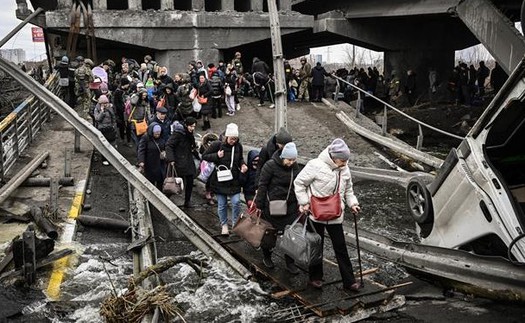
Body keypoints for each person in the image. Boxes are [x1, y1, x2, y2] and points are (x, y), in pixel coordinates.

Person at [294, 138, 362, 292]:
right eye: (342, 160)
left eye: (346, 160)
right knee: (316, 247)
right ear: (333, 156)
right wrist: (304, 202)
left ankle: (349, 281)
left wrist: (353, 203)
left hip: (336, 215)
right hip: (315, 214)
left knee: (341, 248)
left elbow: (349, 190)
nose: (345, 163)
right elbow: (299, 183)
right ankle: (315, 278)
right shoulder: (315, 165)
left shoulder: (345, 169)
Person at [255, 142, 300, 273]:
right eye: (289, 159)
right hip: (271, 207)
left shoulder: (295, 168)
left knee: (290, 237)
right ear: (282, 157)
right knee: (269, 235)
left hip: (290, 207)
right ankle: (267, 257)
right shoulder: (270, 165)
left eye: (293, 160)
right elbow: (262, 185)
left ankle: (290, 263)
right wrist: (259, 204)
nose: (291, 162)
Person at [202, 123, 248, 235]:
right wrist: (217, 156)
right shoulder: (217, 145)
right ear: (227, 136)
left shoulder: (238, 146)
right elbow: (204, 156)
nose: (234, 141)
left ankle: (235, 223)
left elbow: (240, 158)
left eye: (236, 139)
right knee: (222, 204)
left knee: (236, 202)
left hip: (233, 179)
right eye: (232, 139)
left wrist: (243, 165)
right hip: (220, 179)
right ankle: (224, 225)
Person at [165, 117, 199, 208]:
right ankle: (165, 198)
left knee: (190, 181)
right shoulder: (178, 134)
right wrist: (171, 159)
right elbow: (169, 145)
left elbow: (191, 146)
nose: (192, 128)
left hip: (188, 160)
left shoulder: (189, 134)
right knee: (175, 183)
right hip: (179, 161)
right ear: (186, 125)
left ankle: (187, 201)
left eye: (194, 126)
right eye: (191, 126)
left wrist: (197, 154)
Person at [137, 123, 167, 190]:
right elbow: (141, 150)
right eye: (156, 133)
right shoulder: (146, 138)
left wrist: (165, 152)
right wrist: (141, 161)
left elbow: (166, 146)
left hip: (160, 163)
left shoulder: (162, 138)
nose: (157, 135)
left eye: (159, 133)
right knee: (150, 183)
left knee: (160, 182)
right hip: (150, 164)